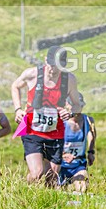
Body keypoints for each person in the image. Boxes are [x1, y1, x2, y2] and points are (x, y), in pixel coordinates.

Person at [11, 46, 81, 186]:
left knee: (52, 176)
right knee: (37, 173)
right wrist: (18, 109)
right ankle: (24, 188)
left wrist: (70, 112)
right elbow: (15, 86)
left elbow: (77, 104)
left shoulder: (69, 80)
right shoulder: (32, 74)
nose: (53, 69)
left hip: (55, 132)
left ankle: (46, 203)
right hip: (32, 130)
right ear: (45, 61)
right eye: (51, 64)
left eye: (58, 66)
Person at [60, 93, 96, 193]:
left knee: (82, 188)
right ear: (67, 104)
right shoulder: (60, 121)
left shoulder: (87, 120)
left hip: (78, 165)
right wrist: (64, 154)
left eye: (79, 106)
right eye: (74, 105)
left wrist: (91, 151)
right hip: (60, 166)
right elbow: (51, 143)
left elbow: (92, 134)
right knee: (57, 195)